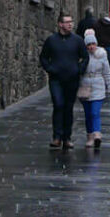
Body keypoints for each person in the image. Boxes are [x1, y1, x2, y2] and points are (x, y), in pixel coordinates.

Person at [39, 11, 88, 150]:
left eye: (71, 22)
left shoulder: (77, 40)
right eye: (67, 22)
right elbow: (43, 57)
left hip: (72, 79)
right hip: (56, 79)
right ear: (60, 24)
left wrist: (79, 69)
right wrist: (50, 69)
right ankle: (57, 136)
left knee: (68, 107)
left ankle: (67, 137)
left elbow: (85, 57)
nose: (70, 24)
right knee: (58, 104)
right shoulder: (51, 40)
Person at [79, 30, 110, 148]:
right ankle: (89, 136)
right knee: (88, 114)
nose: (91, 47)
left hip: (98, 86)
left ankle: (97, 134)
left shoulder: (102, 55)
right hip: (85, 87)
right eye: (88, 45)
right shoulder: (81, 56)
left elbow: (107, 73)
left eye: (93, 44)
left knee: (95, 112)